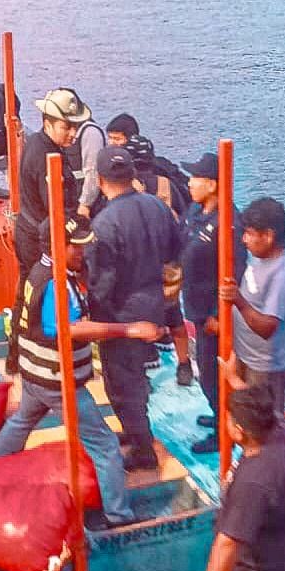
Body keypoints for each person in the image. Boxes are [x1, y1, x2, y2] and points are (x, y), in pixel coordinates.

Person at [0, 217, 163, 528]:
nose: (82, 251)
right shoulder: (55, 284)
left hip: (35, 375)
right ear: (57, 247)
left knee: (20, 423)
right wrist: (131, 329)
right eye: (76, 246)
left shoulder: (39, 272)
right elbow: (72, 329)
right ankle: (118, 515)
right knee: (104, 445)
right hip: (57, 381)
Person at [175, 379, 285, 571]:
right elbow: (266, 409)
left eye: (229, 419)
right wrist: (234, 380)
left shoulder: (254, 482)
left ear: (239, 430)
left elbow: (228, 542)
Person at [88, 146, 184, 471]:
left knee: (121, 383)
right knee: (137, 377)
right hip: (155, 305)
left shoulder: (104, 224)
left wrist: (91, 316)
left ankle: (142, 449)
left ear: (100, 181)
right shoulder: (158, 207)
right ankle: (135, 431)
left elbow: (102, 282)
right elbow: (174, 254)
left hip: (122, 314)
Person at [6, 88, 90, 373]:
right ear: (47, 122)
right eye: (67, 127)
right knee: (38, 296)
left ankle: (16, 357)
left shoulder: (44, 146)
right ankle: (37, 358)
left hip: (32, 231)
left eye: (75, 127)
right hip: (40, 237)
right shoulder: (46, 156)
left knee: (27, 294)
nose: (72, 134)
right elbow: (53, 212)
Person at [178, 152, 248, 453]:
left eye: (195, 178)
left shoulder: (228, 222)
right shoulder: (196, 211)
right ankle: (218, 413)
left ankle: (224, 432)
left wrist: (221, 313)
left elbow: (236, 271)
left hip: (213, 314)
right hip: (194, 305)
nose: (189, 183)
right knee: (205, 371)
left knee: (212, 372)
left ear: (213, 184)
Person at [219, 197, 285, 417]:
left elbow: (268, 328)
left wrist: (238, 300)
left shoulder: (284, 273)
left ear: (268, 236)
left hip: (264, 368)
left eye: (250, 234)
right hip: (244, 354)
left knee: (264, 423)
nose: (244, 240)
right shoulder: (262, 255)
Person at [123, 134, 193, 386]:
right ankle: (184, 365)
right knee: (175, 316)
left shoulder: (125, 188)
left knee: (138, 319)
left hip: (138, 268)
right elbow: (185, 220)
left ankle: (143, 362)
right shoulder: (167, 184)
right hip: (168, 264)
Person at [61, 90, 105, 220]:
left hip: (87, 206)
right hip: (71, 200)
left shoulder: (90, 132)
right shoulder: (64, 133)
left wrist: (85, 204)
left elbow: (92, 172)